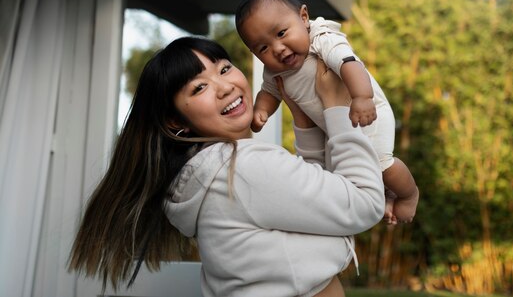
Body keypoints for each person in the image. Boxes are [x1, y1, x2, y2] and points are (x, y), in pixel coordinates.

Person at [68, 36, 385, 297]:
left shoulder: (212, 173)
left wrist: (302, 122)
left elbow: (319, 207)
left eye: (223, 69)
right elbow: (365, 203)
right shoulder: (242, 167)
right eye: (198, 88)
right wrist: (338, 107)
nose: (224, 86)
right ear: (176, 121)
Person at [235, 0, 418, 224]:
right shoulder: (274, 71)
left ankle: (409, 194)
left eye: (281, 33)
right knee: (342, 174)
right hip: (333, 128)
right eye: (263, 48)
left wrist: (362, 97)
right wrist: (261, 110)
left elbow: (350, 64)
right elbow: (269, 92)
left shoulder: (321, 40)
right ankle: (385, 194)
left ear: (303, 17)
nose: (277, 49)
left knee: (381, 163)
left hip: (366, 112)